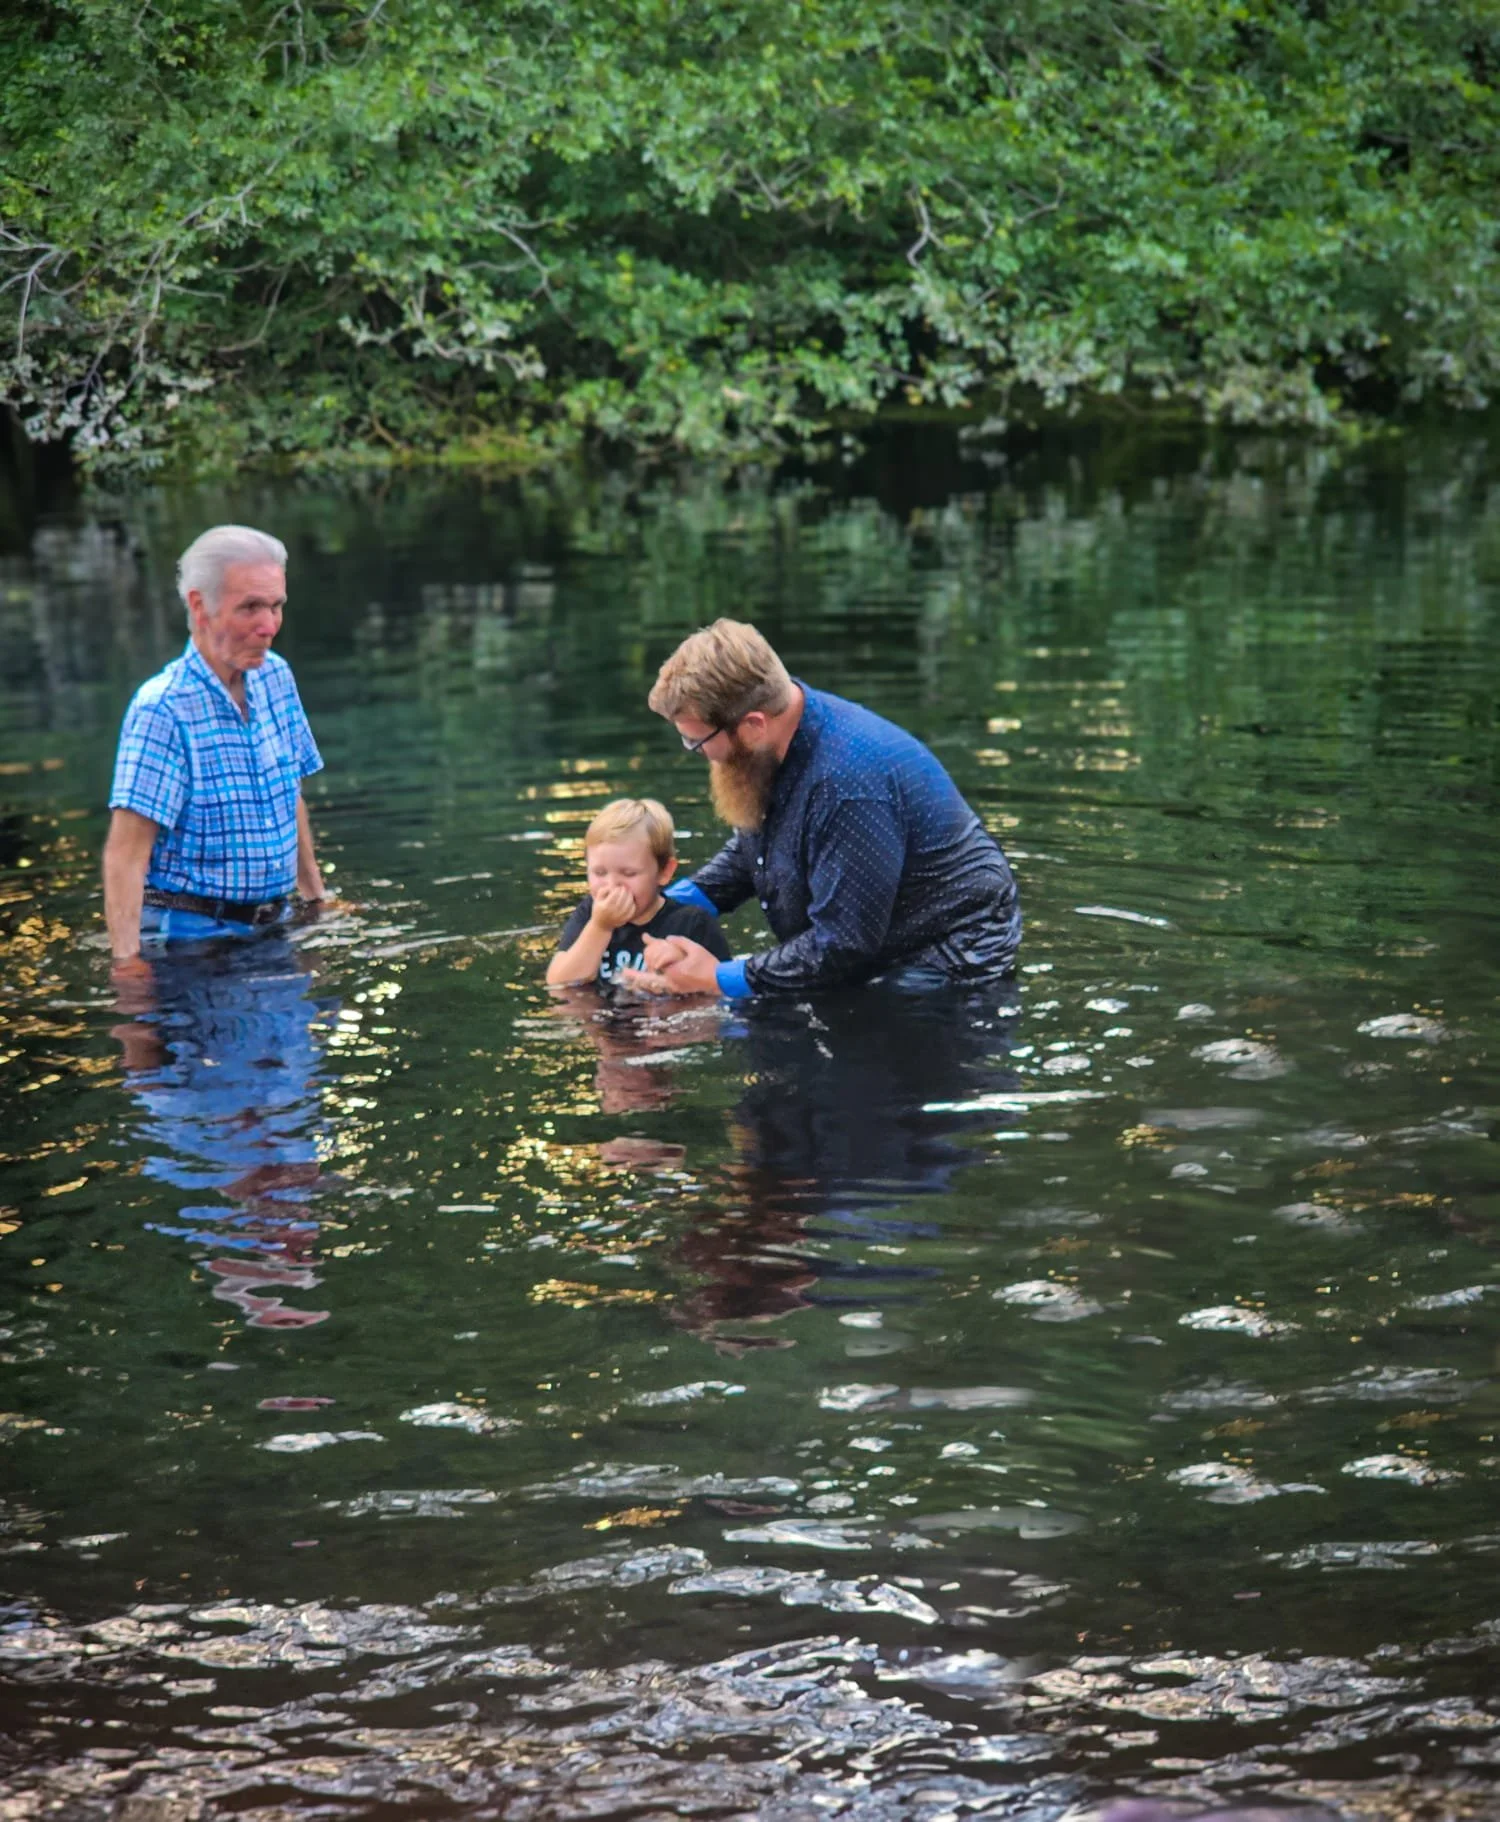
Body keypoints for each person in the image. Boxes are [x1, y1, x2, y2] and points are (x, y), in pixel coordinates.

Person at [629, 618, 1021, 998]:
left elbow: (843, 943)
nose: (699, 754)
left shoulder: (846, 786)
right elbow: (759, 850)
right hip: (873, 944)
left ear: (753, 725)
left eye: (696, 742)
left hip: (946, 964)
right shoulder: (777, 739)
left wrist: (715, 977)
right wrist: (662, 906)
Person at [102, 523, 330, 976]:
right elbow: (125, 855)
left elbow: (291, 795)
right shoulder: (162, 710)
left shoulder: (276, 677)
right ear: (199, 606)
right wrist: (127, 968)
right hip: (191, 944)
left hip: (275, 928)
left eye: (276, 606)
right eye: (250, 608)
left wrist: (316, 900)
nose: (269, 627)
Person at [546, 796, 731, 988]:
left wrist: (678, 968)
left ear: (664, 872)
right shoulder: (590, 914)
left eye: (629, 873)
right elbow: (559, 983)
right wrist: (600, 927)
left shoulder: (693, 923)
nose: (612, 886)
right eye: (599, 873)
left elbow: (722, 991)